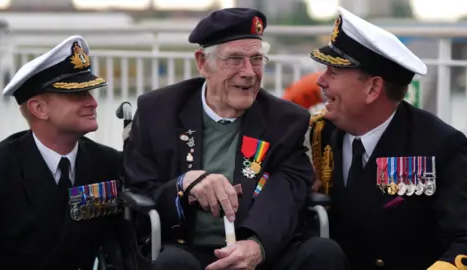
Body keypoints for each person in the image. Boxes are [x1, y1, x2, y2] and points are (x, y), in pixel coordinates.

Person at [124, 7, 349, 270]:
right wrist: (184, 184)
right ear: (202, 62)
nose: (249, 72)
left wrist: (257, 245)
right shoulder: (158, 111)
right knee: (172, 264)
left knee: (323, 252)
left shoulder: (286, 121)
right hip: (186, 248)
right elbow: (138, 190)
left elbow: (287, 191)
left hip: (260, 251)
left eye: (256, 59)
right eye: (234, 59)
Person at [308, 6, 467, 270]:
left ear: (373, 89)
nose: (320, 81)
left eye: (333, 73)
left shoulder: (440, 147)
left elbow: (463, 239)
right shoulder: (322, 133)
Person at [0, 35, 123, 270]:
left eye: (90, 93)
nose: (93, 103)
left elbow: (123, 243)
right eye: (78, 95)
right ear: (39, 108)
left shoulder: (110, 163)